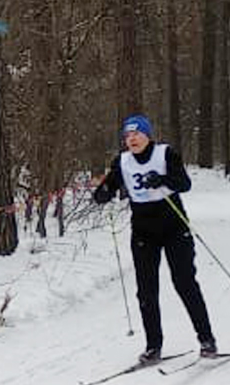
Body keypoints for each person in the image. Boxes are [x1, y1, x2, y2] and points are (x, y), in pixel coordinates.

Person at [91, 114, 218, 364]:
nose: (132, 139)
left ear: (148, 135)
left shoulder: (165, 154)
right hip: (143, 232)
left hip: (174, 227)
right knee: (146, 291)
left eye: (137, 134)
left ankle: (207, 340)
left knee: (184, 282)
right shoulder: (123, 161)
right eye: (128, 135)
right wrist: (103, 192)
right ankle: (153, 346)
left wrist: (162, 179)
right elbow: (105, 191)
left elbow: (184, 184)